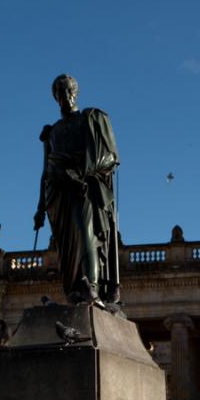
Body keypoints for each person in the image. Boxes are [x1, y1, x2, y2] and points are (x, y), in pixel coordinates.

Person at [33, 74, 120, 308]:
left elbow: (110, 156)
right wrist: (40, 207)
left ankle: (90, 288)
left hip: (84, 188)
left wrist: (81, 172)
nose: (65, 97)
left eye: (68, 92)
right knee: (67, 250)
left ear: (75, 93)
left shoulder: (90, 119)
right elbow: (46, 170)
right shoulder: (52, 132)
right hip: (58, 194)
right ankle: (74, 291)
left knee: (86, 235)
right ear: (56, 98)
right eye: (60, 94)